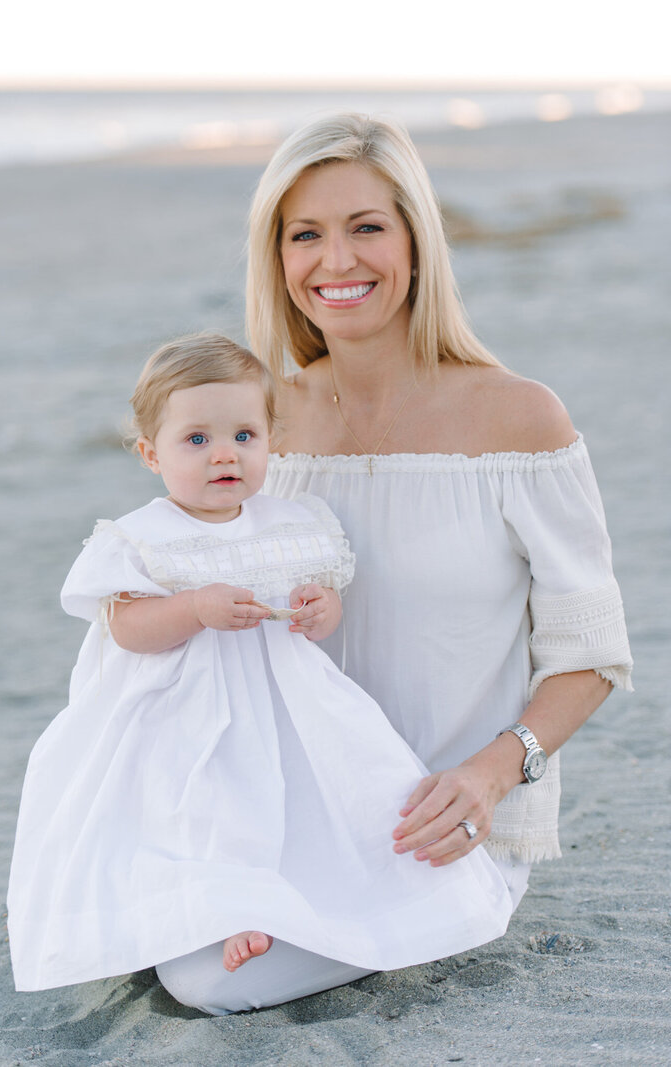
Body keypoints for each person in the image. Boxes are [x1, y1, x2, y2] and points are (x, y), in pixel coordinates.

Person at [231, 112, 631, 997]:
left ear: (417, 242)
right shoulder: (262, 423)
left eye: (367, 227)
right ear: (278, 257)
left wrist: (494, 772)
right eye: (306, 235)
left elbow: (591, 654)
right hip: (288, 815)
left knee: (216, 985)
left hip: (439, 828)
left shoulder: (520, 419)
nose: (337, 262)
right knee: (139, 939)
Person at [6, 333, 514, 1014]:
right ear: (151, 453)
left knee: (328, 791)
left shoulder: (290, 521)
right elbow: (125, 625)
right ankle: (231, 912)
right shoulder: (141, 536)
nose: (224, 453)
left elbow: (322, 601)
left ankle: (354, 896)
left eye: (244, 434)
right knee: (207, 807)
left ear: (271, 440)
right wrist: (193, 606)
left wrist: (318, 607)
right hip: (183, 708)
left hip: (285, 703)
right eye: (196, 439)